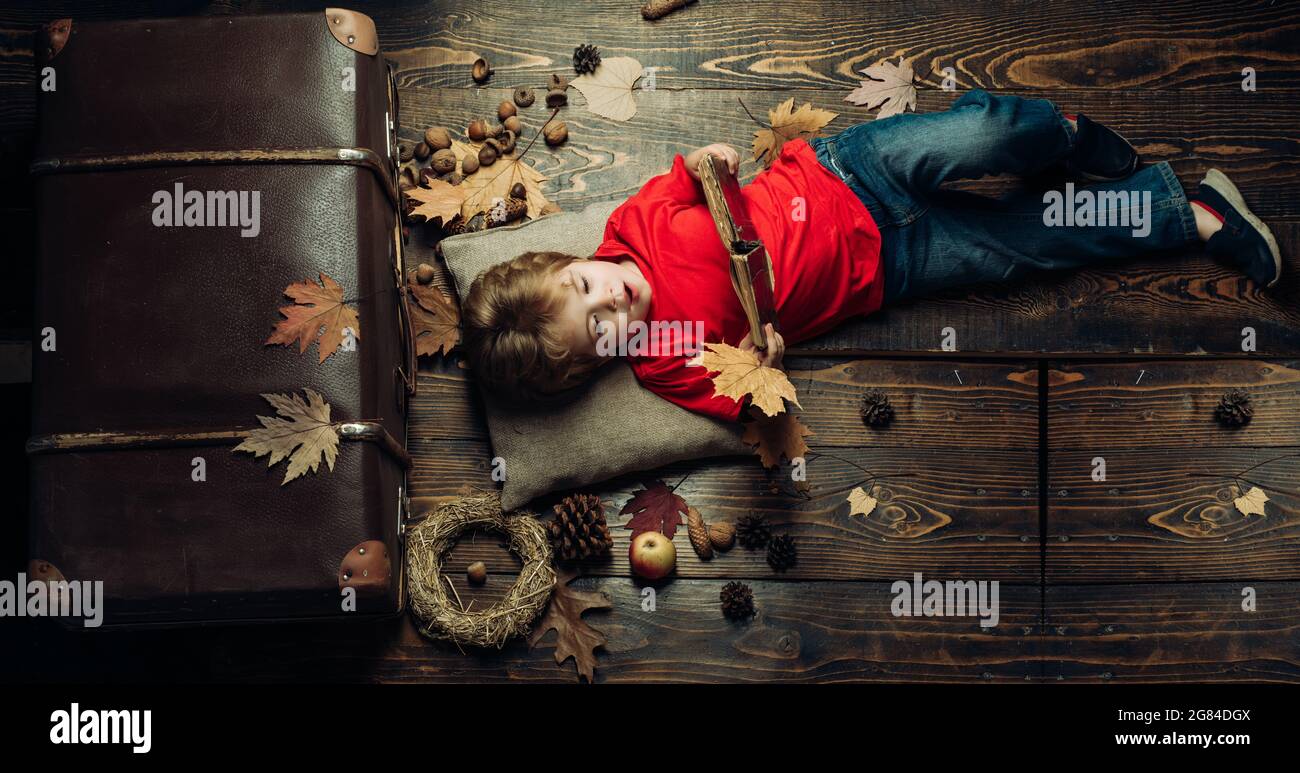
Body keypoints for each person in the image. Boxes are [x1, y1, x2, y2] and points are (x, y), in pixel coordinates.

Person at [461, 89, 1283, 421]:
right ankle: (1193, 215)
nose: (612, 304)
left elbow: (690, 175)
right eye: (598, 329)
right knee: (1030, 245)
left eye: (585, 287)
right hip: (889, 267)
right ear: (594, 366)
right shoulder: (661, 358)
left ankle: (1064, 133)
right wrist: (765, 361)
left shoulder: (633, 229)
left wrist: (712, 161)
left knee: (989, 135)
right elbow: (744, 392)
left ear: (568, 259)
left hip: (848, 172)